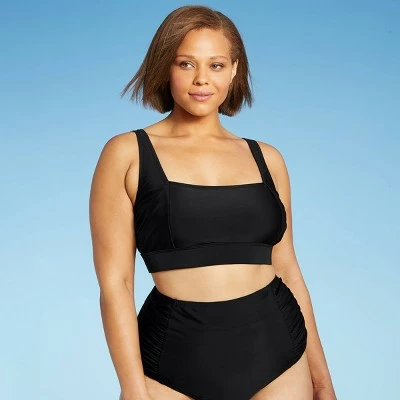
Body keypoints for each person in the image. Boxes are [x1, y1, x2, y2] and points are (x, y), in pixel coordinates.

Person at [89, 5, 336, 400]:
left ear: (234, 70)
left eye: (216, 65)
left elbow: (288, 270)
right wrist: (132, 388)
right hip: (171, 363)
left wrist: (322, 383)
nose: (201, 79)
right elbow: (115, 284)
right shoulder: (127, 153)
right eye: (186, 63)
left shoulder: (267, 158)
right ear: (165, 67)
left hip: (278, 354)